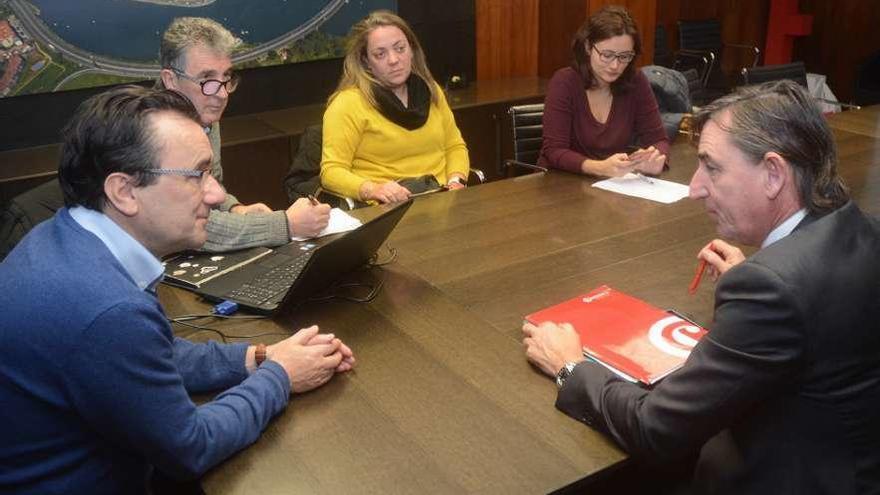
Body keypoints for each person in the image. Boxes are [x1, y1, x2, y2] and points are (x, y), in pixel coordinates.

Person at [522, 80, 880, 493]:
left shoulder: (771, 290)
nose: (695, 188)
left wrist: (572, 367)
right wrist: (771, 283)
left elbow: (656, 428)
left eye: (712, 166)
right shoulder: (862, 230)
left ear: (773, 174)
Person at [0, 86, 355, 494]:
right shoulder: (108, 309)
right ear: (124, 191)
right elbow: (190, 447)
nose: (217, 194)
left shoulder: (64, 235)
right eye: (197, 174)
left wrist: (258, 357)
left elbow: (154, 353)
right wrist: (280, 376)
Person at [158, 17, 331, 250]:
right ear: (171, 80)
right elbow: (187, 224)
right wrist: (285, 224)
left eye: (226, 77)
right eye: (206, 79)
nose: (222, 94)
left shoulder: (205, 111)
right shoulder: (151, 134)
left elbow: (211, 189)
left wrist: (234, 208)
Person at [320, 10, 470, 204]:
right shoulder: (347, 104)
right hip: (387, 209)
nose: (393, 60)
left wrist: (456, 180)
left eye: (400, 48)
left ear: (412, 51)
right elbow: (331, 172)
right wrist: (372, 189)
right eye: (380, 54)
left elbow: (454, 146)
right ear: (365, 61)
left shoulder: (432, 91)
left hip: (442, 199)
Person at [538, 6, 669, 177]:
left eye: (624, 56)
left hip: (611, 186)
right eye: (607, 55)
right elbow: (554, 151)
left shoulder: (636, 81)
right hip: (560, 184)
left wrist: (656, 159)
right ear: (588, 47)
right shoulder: (564, 82)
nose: (615, 65)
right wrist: (599, 167)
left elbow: (659, 140)